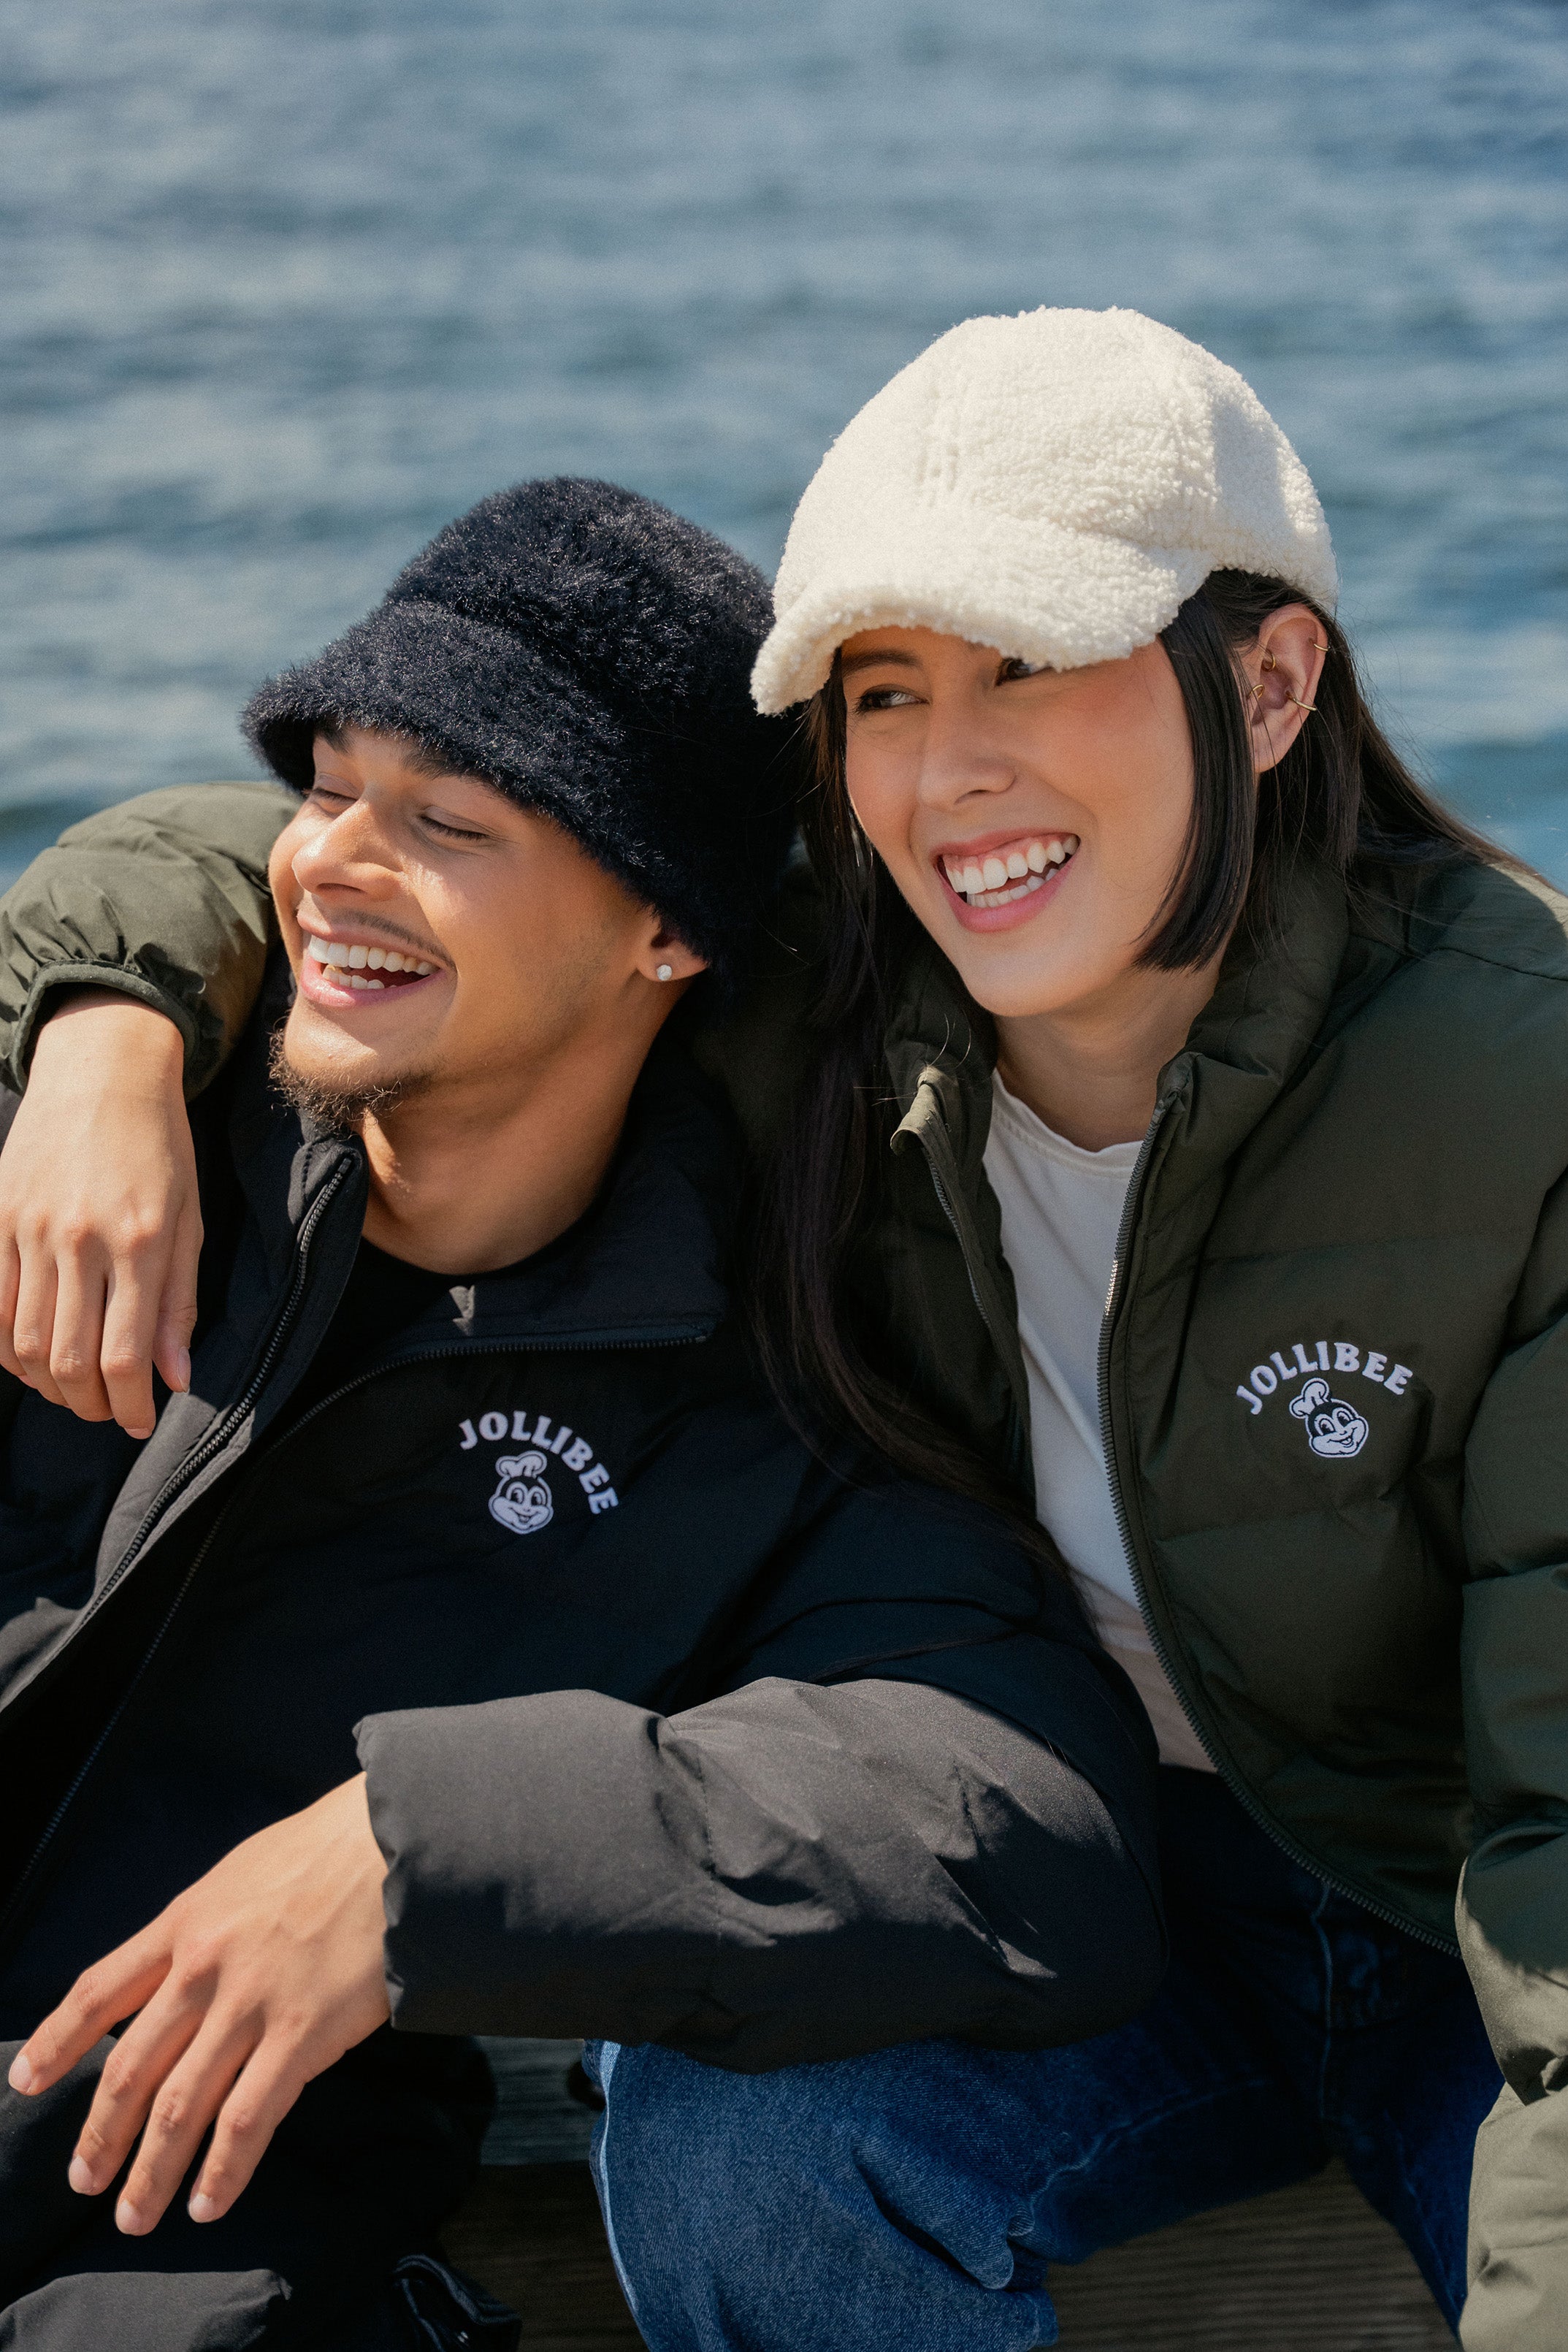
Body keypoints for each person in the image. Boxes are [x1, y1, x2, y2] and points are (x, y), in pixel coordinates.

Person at [2, 310, 1561, 2351]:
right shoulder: (842, 995)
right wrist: (103, 1028)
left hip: (1462, 1914)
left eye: (1033, 661)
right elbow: (338, 857)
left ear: (1269, 688)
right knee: (744, 2153)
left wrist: (428, 1846)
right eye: (885, 693)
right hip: (1119, 1914)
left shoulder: (1514, 1097)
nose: (953, 767)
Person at [0, 474, 1164, 2351]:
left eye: (446, 820)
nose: (332, 861)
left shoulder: (748, 1407)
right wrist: (92, 1043)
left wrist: (429, 1850)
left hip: (157, 2248)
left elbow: (1040, 1828)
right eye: (327, 786)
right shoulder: (82, 1145)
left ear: (667, 934)